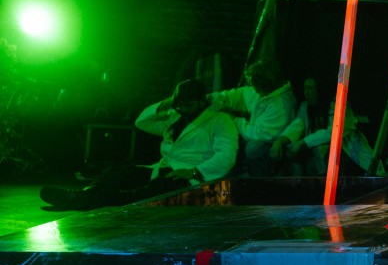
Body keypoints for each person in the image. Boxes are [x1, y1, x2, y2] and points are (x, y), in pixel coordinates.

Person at [40, 78, 238, 210]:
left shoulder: (220, 120)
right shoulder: (175, 116)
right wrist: (169, 103)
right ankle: (82, 197)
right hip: (163, 168)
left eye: (189, 105)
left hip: (187, 175)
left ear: (202, 101)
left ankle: (90, 200)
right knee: (117, 172)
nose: (183, 109)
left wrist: (194, 172)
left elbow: (227, 155)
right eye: (180, 105)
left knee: (151, 192)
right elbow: (142, 122)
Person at [209, 58, 297, 176]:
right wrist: (211, 99)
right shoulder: (265, 92)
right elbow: (239, 95)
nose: (253, 87)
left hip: (273, 144)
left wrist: (234, 119)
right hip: (260, 135)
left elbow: (258, 134)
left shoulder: (280, 105)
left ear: (264, 84)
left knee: (253, 148)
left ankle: (260, 178)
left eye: (255, 84)